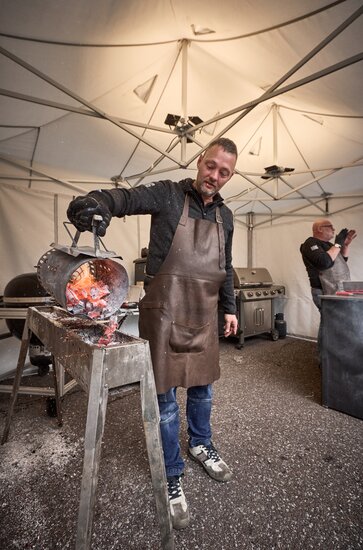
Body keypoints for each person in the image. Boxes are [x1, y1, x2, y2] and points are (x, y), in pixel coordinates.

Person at [67, 137, 239, 530]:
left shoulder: (226, 217)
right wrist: (97, 201)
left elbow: (225, 266)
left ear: (230, 176)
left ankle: (200, 444)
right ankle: (171, 473)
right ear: (201, 161)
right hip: (163, 311)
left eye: (224, 172)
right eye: (211, 166)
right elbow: (124, 199)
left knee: (203, 388)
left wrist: (229, 308)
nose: (215, 176)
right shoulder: (167, 195)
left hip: (204, 313)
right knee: (163, 399)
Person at [300, 218, 357, 361]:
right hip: (323, 291)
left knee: (332, 322)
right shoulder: (310, 243)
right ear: (319, 229)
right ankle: (324, 360)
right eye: (330, 226)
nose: (333, 229)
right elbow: (324, 262)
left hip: (335, 290)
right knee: (328, 323)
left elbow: (341, 261)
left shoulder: (330, 245)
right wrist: (338, 243)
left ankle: (333, 358)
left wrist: (345, 245)